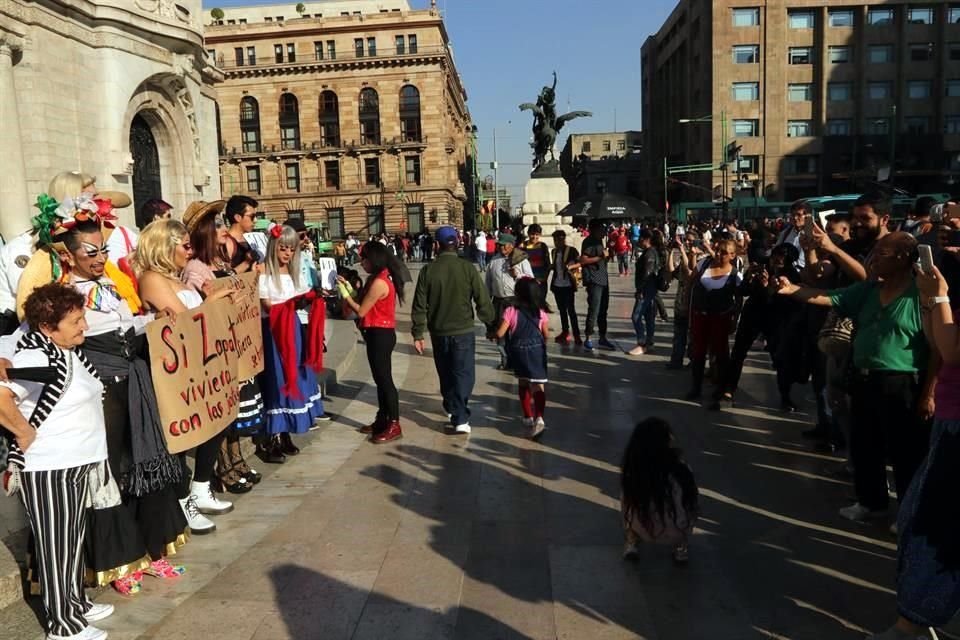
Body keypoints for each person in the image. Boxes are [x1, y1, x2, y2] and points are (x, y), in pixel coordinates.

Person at [777, 232, 936, 524]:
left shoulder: (920, 295)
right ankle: (870, 502)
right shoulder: (867, 291)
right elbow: (828, 297)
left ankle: (907, 514)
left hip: (902, 383)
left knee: (905, 454)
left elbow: (936, 349)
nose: (874, 260)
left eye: (882, 254)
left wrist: (928, 393)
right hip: (864, 379)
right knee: (865, 445)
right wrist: (791, 290)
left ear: (902, 258)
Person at [0, 283, 116, 640]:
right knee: (56, 545)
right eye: (77, 320)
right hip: (50, 467)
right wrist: (22, 432)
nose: (85, 326)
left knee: (71, 540)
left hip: (78, 461)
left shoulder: (65, 351)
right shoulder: (35, 355)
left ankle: (75, 602)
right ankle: (62, 626)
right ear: (49, 327)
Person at [866, 264, 960, 640]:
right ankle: (914, 621)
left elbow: (952, 350)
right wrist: (931, 300)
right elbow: (938, 342)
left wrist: (938, 296)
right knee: (922, 521)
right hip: (951, 423)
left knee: (933, 526)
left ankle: (912, 623)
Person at [133, 217, 242, 530]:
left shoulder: (176, 277)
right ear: (165, 247)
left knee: (215, 421)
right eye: (184, 245)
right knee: (183, 436)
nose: (189, 250)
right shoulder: (153, 278)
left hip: (199, 363)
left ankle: (200, 488)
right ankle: (185, 503)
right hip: (173, 370)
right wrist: (210, 301)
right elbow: (182, 321)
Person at [181, 202, 261, 493]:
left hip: (233, 343)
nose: (222, 229)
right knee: (224, 413)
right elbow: (191, 316)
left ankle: (235, 459)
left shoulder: (220, 264)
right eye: (215, 225)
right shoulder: (195, 269)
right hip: (215, 350)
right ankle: (222, 467)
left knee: (235, 410)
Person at [411, 226, 495, 435]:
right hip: (463, 330)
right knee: (464, 373)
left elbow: (419, 305)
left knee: (446, 372)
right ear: (456, 243)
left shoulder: (428, 271)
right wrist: (491, 323)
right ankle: (460, 416)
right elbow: (482, 299)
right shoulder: (467, 268)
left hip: (439, 332)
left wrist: (418, 333)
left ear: (437, 245)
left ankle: (451, 405)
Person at [257, 224, 327, 459]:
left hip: (293, 330)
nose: (287, 254)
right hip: (273, 332)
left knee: (293, 376)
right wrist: (293, 303)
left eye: (291, 250)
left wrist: (313, 298)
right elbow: (267, 305)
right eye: (283, 249)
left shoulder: (294, 272)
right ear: (273, 248)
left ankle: (285, 431)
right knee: (278, 379)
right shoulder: (264, 273)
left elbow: (300, 298)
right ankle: (273, 435)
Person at [338, 242, 405, 444]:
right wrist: (350, 288)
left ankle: (394, 422)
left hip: (380, 334)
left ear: (373, 259)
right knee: (380, 379)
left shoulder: (379, 282)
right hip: (376, 333)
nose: (361, 263)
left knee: (385, 380)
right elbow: (364, 301)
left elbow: (361, 310)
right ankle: (382, 418)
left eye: (364, 259)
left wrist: (345, 294)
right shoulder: (376, 278)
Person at [620, 417, 699, 565]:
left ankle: (631, 542)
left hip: (644, 528)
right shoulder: (681, 468)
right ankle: (680, 548)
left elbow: (627, 505)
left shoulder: (634, 470)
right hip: (677, 530)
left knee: (627, 496)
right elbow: (691, 502)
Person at [685, 238, 742, 403]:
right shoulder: (704, 264)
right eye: (717, 250)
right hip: (700, 315)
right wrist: (686, 302)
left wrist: (735, 319)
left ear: (732, 255)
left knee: (721, 353)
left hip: (721, 317)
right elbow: (690, 282)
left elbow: (738, 299)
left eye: (723, 253)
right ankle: (696, 387)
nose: (718, 254)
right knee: (698, 352)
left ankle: (721, 388)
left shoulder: (735, 275)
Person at [494, 278, 551, 439]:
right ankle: (539, 417)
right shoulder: (540, 312)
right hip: (536, 350)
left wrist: (492, 334)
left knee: (523, 382)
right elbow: (546, 334)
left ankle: (527, 416)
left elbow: (500, 333)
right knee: (538, 385)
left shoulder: (511, 311)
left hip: (518, 350)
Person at [485, 233, 533, 370]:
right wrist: (486, 301)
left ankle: (518, 359)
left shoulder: (522, 261)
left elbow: (531, 280)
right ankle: (505, 360)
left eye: (504, 245)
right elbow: (488, 284)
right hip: (499, 302)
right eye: (499, 245)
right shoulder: (494, 261)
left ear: (511, 246)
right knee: (501, 334)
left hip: (516, 302)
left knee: (517, 333)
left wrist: (518, 275)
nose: (501, 248)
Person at [665, 231, 702, 369]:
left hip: (693, 304)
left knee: (693, 337)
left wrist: (682, 250)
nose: (687, 243)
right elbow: (671, 271)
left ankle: (694, 361)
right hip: (680, 302)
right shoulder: (683, 257)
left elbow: (689, 272)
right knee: (679, 335)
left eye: (690, 241)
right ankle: (676, 360)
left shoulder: (699, 258)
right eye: (685, 240)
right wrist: (670, 251)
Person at [580, 220, 616, 351]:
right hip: (594, 279)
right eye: (601, 229)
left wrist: (610, 250)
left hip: (603, 278)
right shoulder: (589, 242)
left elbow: (604, 259)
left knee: (603, 310)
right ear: (594, 229)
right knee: (594, 309)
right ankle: (588, 337)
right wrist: (601, 256)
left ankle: (602, 337)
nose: (604, 231)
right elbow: (583, 260)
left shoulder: (600, 241)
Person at [549, 229, 581, 345]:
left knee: (571, 310)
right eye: (556, 240)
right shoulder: (553, 252)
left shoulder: (571, 250)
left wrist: (571, 267)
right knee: (562, 310)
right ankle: (565, 332)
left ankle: (577, 335)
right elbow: (555, 266)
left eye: (560, 239)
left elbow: (580, 262)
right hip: (557, 285)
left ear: (564, 239)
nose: (558, 242)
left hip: (568, 285)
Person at [630, 230, 659, 356]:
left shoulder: (649, 253)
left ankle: (642, 343)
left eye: (641, 238)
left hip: (646, 289)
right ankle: (650, 343)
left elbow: (647, 273)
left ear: (646, 239)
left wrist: (640, 290)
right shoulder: (650, 252)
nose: (639, 241)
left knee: (636, 316)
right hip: (650, 289)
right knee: (648, 317)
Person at [223, 195, 260, 273]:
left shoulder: (250, 239)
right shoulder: (227, 242)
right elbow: (225, 277)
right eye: (252, 216)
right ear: (238, 217)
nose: (255, 220)